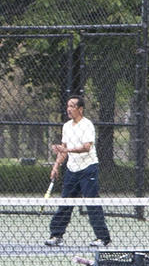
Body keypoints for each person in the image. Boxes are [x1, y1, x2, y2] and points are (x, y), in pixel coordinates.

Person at [45, 94, 111, 248]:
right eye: (68, 106)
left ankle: (102, 238)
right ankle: (56, 235)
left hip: (88, 168)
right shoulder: (66, 126)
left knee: (92, 203)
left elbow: (86, 147)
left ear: (80, 109)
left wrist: (67, 149)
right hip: (71, 170)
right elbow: (63, 150)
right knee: (65, 202)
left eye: (72, 106)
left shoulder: (87, 125)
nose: (69, 109)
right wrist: (56, 166)